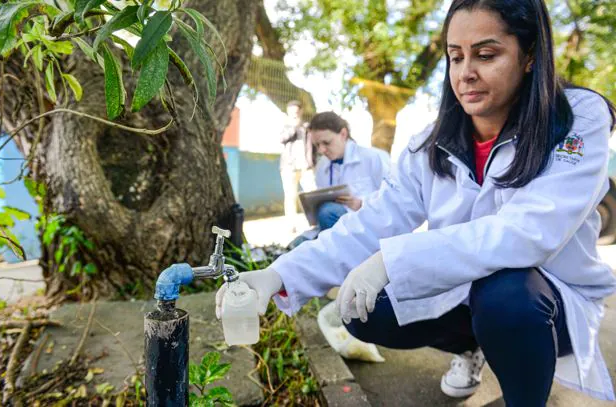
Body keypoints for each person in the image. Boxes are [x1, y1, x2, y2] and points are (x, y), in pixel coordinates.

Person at [216, 0, 616, 405]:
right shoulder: (431, 143)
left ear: (529, 55)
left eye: (486, 55)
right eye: (455, 57)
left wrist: (393, 261)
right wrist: (279, 274)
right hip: (467, 296)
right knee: (360, 310)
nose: (466, 73)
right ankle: (469, 348)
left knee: (505, 292)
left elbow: (531, 232)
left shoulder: (574, 118)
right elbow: (372, 222)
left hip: (549, 304)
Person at [308, 111, 390, 230]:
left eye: (326, 143)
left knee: (328, 212)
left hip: (369, 225)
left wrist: (361, 204)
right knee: (297, 244)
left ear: (343, 134)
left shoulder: (374, 157)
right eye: (317, 145)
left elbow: (392, 199)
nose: (321, 150)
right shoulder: (322, 166)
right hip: (335, 225)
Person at [279, 100, 316, 232]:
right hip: (289, 168)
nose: (295, 114)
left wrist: (312, 162)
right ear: (288, 112)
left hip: (306, 168)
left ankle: (314, 223)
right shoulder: (285, 127)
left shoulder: (307, 127)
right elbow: (282, 139)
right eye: (292, 112)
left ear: (301, 111)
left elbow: (313, 146)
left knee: (311, 194)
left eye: (297, 111)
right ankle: (291, 226)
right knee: (290, 196)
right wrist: (293, 127)